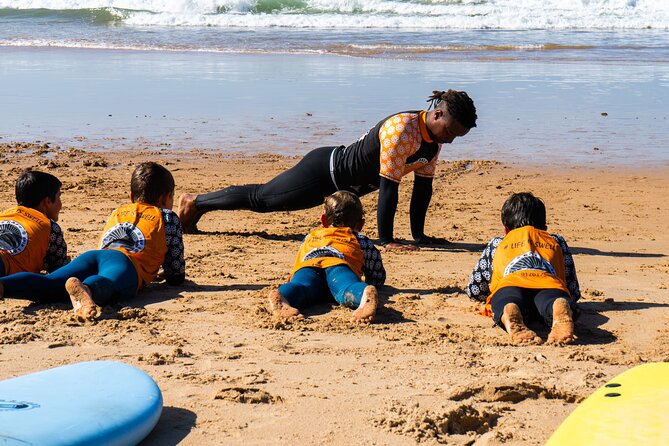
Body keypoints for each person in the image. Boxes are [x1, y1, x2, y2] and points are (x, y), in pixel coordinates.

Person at [178, 89, 477, 251]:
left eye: (456, 136)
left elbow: (423, 189)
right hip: (325, 173)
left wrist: (419, 236)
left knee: (265, 201)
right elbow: (389, 189)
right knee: (263, 200)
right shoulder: (403, 130)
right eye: (450, 131)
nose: (450, 139)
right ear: (437, 114)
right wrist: (386, 240)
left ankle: (198, 203)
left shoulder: (434, 140)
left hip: (343, 187)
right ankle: (196, 202)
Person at [0, 162, 186, 321]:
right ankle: (86, 289)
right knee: (109, 283)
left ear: (130, 197)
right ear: (166, 198)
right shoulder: (167, 217)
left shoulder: (118, 212)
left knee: (50, 282)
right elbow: (175, 273)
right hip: (124, 261)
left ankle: (4, 286)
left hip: (93, 256)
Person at [465, 192, 581, 345]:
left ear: (506, 230)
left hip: (511, 284)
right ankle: (557, 307)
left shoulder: (497, 243)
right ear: (544, 229)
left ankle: (509, 309)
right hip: (548, 284)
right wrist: (567, 297)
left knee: (505, 300)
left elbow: (476, 289)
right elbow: (571, 285)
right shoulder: (556, 240)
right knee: (551, 301)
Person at [268, 190, 385, 323]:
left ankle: (282, 297)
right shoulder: (360, 240)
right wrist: (372, 282)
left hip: (309, 264)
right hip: (339, 264)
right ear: (361, 224)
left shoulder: (311, 236)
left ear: (323, 220)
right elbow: (377, 273)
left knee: (300, 286)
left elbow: (300, 259)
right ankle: (364, 296)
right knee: (347, 287)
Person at [0, 170, 68, 277]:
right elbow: (61, 271)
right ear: (47, 201)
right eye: (59, 197)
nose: (61, 204)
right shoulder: (50, 227)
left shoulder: (3, 215)